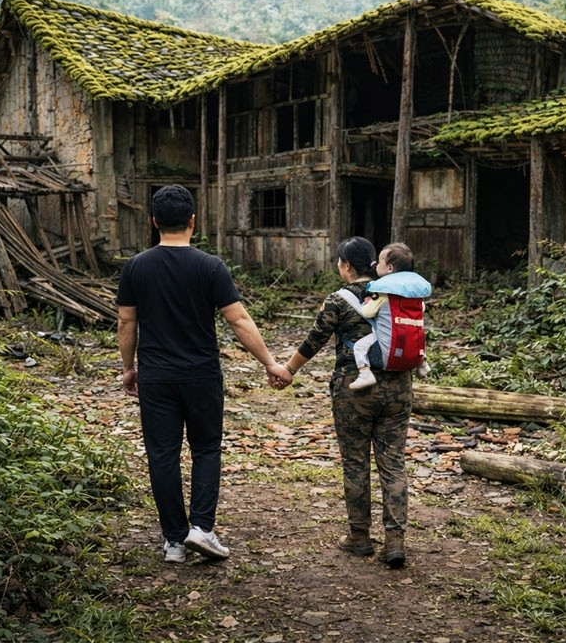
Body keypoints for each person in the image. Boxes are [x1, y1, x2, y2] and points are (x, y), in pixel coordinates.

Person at [116, 184, 291, 564]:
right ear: (193, 221)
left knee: (162, 455)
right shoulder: (210, 266)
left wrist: (129, 368)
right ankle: (202, 528)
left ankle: (174, 541)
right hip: (201, 375)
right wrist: (270, 363)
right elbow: (238, 320)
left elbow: (126, 323)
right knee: (206, 449)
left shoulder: (136, 266)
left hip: (156, 377)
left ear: (154, 221)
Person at [279, 237, 414, 568]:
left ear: (347, 265)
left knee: (355, 463)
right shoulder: (396, 292)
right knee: (393, 463)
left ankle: (359, 537)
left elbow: (314, 340)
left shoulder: (339, 300)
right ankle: (395, 541)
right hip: (398, 388)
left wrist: (288, 370)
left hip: (354, 390)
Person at [348, 242, 432, 390]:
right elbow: (422, 308)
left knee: (359, 346)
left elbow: (367, 312)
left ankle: (365, 374)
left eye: (379, 262)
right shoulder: (415, 293)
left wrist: (366, 303)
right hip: (413, 354)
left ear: (390, 268)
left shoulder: (383, 292)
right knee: (415, 335)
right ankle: (422, 364)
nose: (375, 265)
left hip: (387, 356)